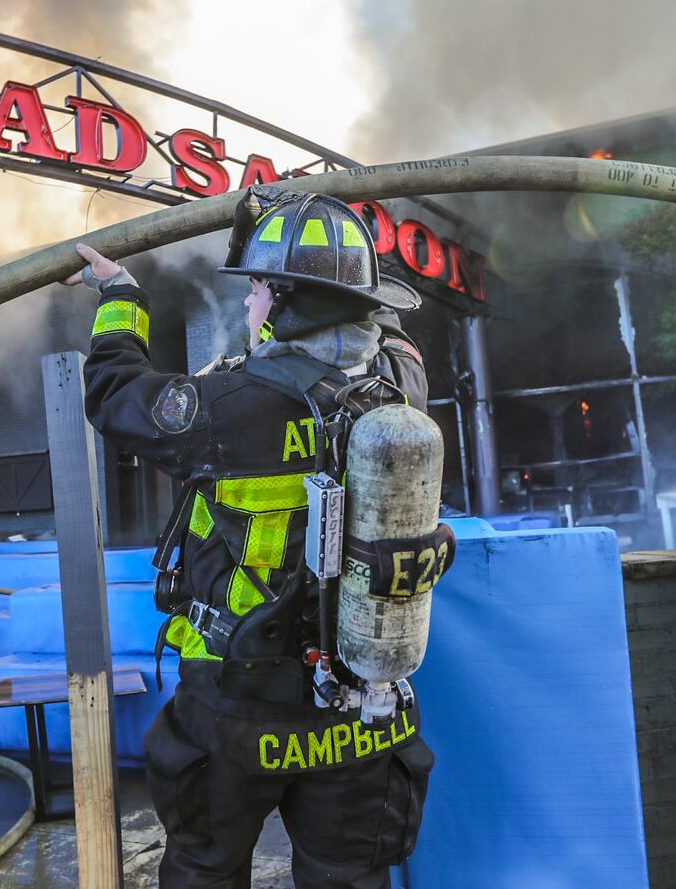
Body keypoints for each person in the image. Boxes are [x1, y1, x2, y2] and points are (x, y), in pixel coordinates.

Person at [65, 186, 433, 888]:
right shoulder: (401, 393)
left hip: (237, 706)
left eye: (259, 288)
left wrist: (122, 295)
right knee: (349, 877)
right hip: (362, 709)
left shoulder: (223, 409)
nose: (246, 303)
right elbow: (389, 328)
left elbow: (115, 394)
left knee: (207, 870)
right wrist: (321, 259)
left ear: (289, 303)